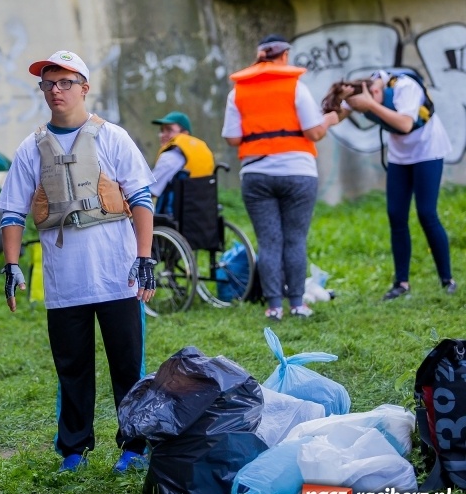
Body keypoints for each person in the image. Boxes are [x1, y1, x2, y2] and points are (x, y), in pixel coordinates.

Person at [0, 50, 156, 474]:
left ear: (84, 87)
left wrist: (145, 257)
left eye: (65, 82)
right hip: (64, 281)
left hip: (117, 276)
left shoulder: (112, 137)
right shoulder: (31, 148)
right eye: (48, 83)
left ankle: (135, 447)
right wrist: (11, 265)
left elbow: (141, 197)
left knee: (128, 367)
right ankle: (74, 448)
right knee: (72, 368)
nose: (55, 90)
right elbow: (12, 212)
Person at [221, 34, 339, 321]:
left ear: (259, 56)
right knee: (295, 240)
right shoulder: (296, 86)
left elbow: (233, 138)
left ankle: (274, 306)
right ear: (284, 56)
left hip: (257, 176)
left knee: (269, 241)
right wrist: (331, 119)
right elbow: (314, 132)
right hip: (298, 173)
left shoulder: (238, 91)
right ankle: (298, 304)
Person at [336, 70, 456, 300]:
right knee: (396, 215)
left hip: (427, 151)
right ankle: (401, 283)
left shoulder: (405, 87)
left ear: (376, 91)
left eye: (362, 107)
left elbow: (404, 124)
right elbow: (336, 116)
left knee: (426, 213)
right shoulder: (366, 90)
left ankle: (447, 279)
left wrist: (370, 104)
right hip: (400, 157)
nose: (362, 111)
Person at [150, 111, 215, 215]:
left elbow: (151, 190)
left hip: (172, 218)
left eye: (169, 130)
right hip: (201, 216)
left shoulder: (170, 157)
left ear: (185, 134)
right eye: (162, 130)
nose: (162, 135)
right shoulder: (202, 154)